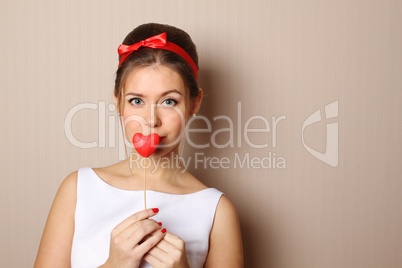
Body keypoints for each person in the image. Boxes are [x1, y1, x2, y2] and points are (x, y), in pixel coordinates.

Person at [34, 23, 243, 268]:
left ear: (194, 103)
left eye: (169, 101)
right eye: (136, 100)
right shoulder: (77, 189)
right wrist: (114, 264)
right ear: (118, 102)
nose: (150, 121)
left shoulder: (218, 211)